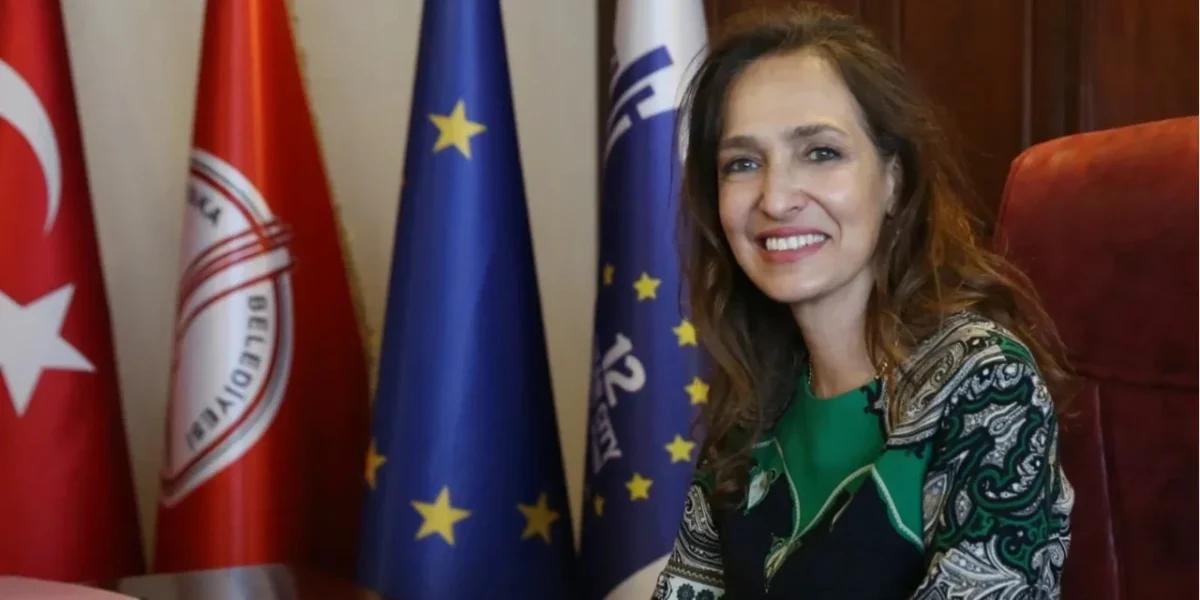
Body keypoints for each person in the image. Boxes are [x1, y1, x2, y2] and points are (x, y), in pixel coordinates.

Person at [652, 3, 1075, 599]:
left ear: (894, 180)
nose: (776, 198)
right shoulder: (757, 400)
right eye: (743, 163)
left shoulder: (985, 383)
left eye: (820, 152)